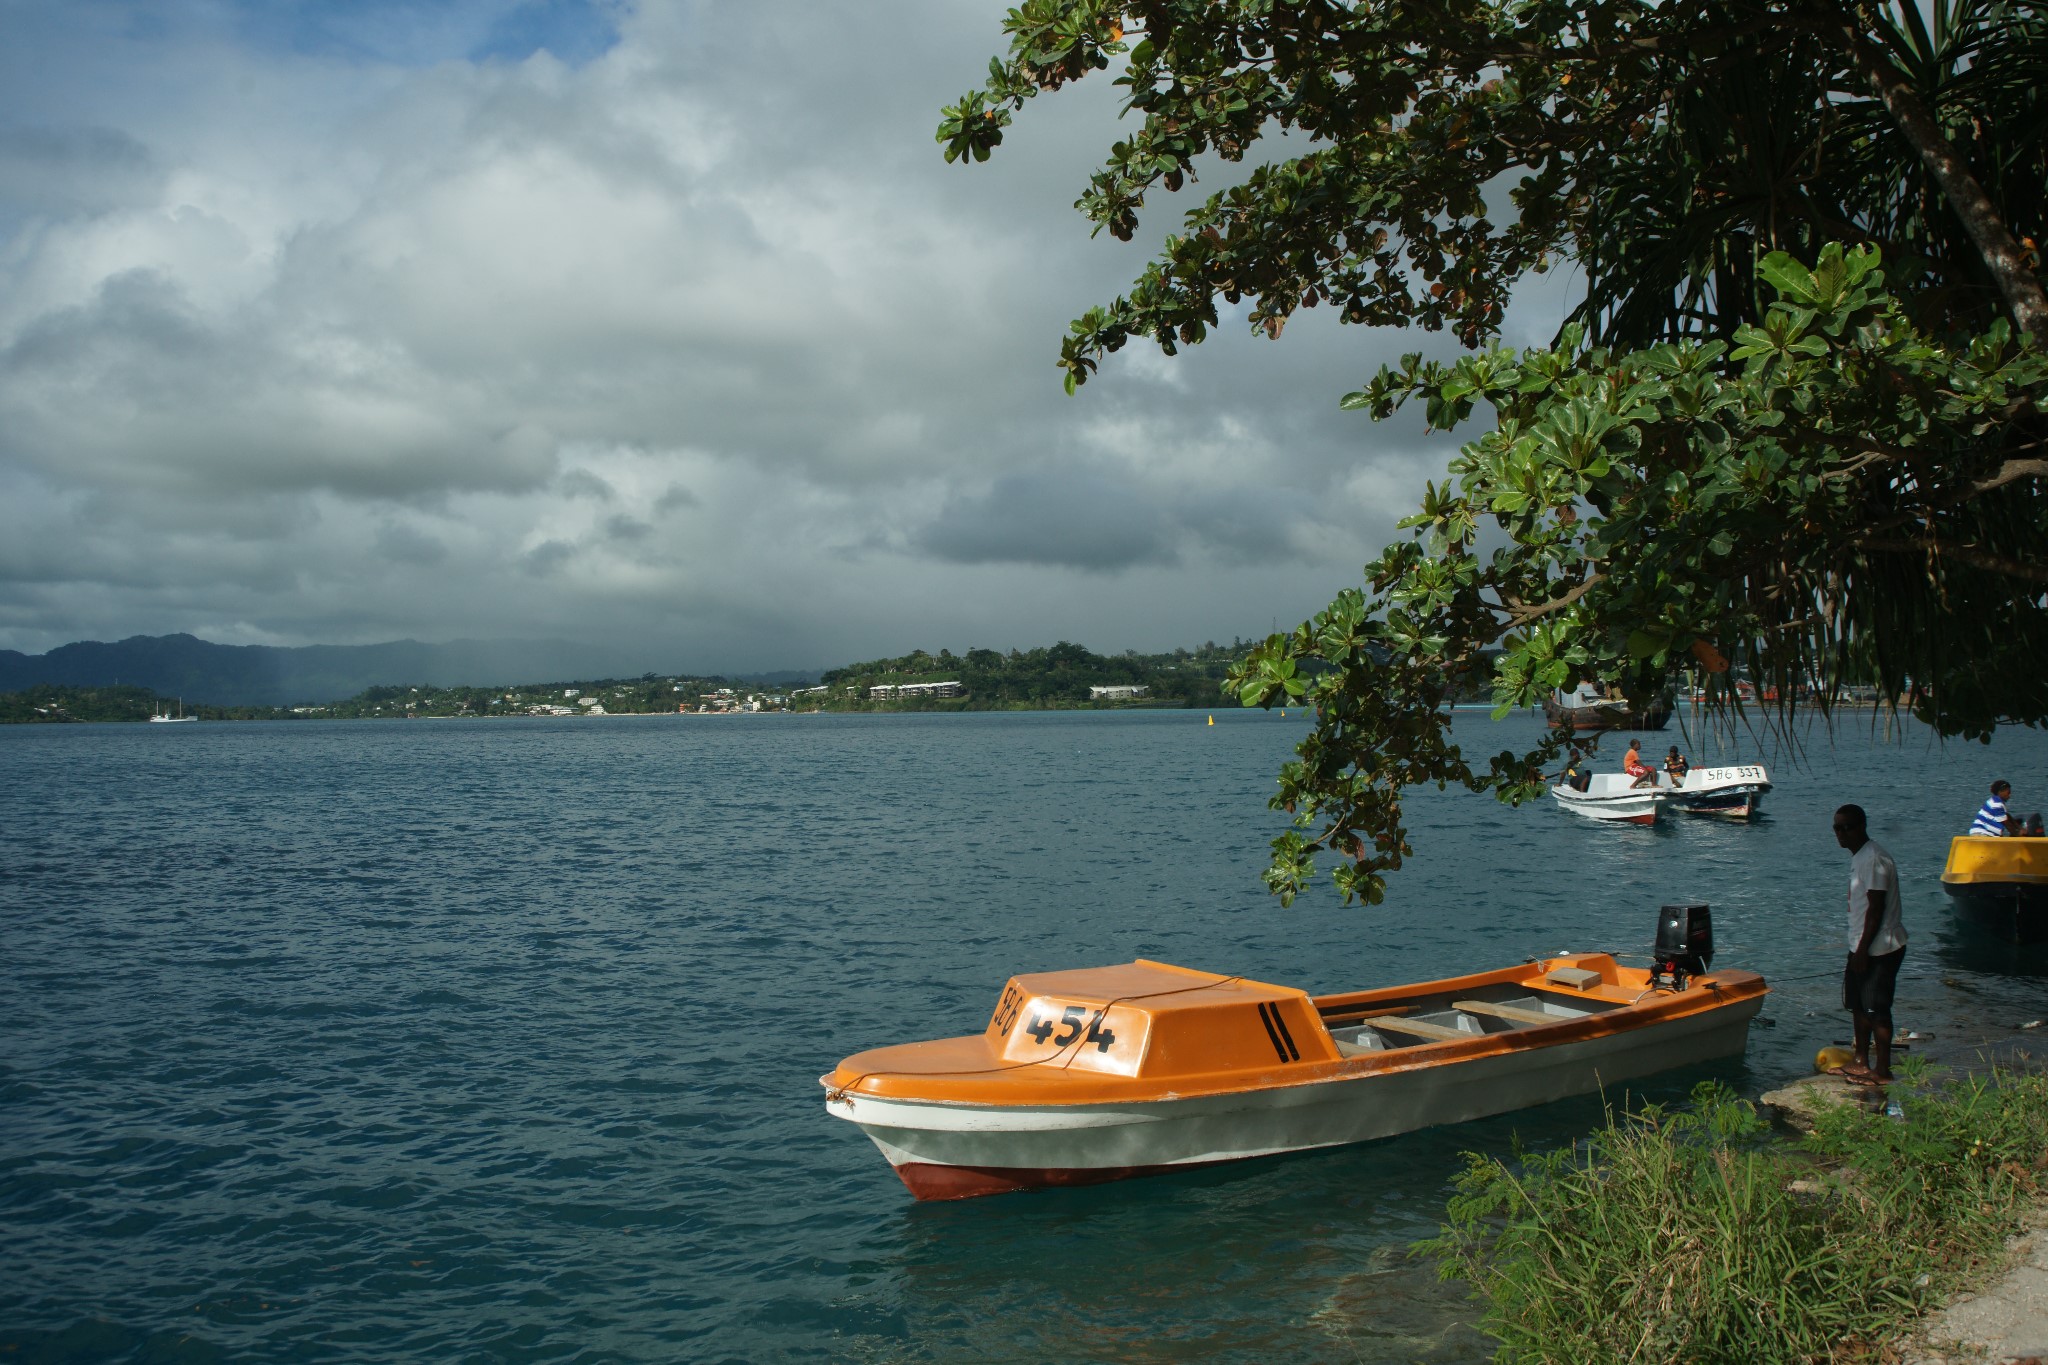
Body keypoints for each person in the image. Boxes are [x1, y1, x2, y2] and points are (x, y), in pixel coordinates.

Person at [1833, 804, 1907, 1084]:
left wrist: (1863, 950)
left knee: (1877, 1009)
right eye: (1837, 828)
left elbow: (1876, 909)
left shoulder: (1874, 859)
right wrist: (1856, 950)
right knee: (1858, 1005)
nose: (1841, 833)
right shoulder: (1860, 857)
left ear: (1862, 826)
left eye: (1847, 827)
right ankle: (1861, 1060)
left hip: (1881, 947)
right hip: (1861, 946)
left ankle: (1883, 1069)